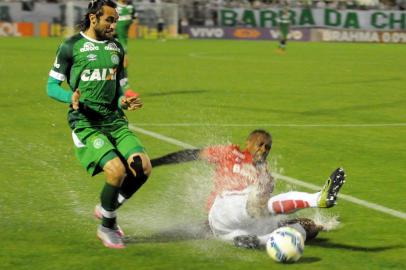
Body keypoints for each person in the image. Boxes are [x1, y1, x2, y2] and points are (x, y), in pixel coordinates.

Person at [46, 0, 152, 249]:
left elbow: (117, 90)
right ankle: (107, 226)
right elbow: (50, 86)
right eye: (110, 20)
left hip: (114, 120)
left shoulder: (116, 48)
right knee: (116, 171)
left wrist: (125, 101)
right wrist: (68, 97)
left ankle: (107, 207)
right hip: (85, 121)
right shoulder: (71, 46)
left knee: (143, 167)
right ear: (93, 19)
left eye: (115, 20)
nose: (114, 25)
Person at [150, 130, 346, 248]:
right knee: (255, 202)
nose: (263, 149)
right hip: (223, 211)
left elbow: (266, 206)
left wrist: (261, 169)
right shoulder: (230, 152)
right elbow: (191, 154)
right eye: (260, 144)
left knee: (308, 227)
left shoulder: (264, 172)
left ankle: (256, 241)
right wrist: (154, 163)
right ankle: (317, 199)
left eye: (268, 148)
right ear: (248, 143)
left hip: (245, 225)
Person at [116, 0, 138, 97]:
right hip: (112, 40)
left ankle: (122, 88)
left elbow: (134, 21)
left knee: (121, 64)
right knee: (122, 63)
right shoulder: (112, 7)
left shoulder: (131, 8)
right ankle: (126, 88)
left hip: (123, 40)